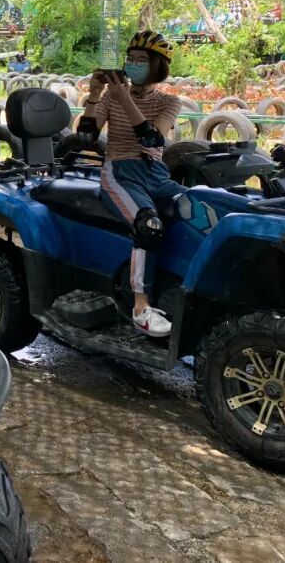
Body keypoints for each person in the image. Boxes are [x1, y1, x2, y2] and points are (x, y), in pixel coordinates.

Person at [79, 30, 183, 338]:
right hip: (120, 172)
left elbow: (152, 138)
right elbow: (86, 136)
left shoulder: (169, 102)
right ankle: (141, 308)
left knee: (197, 207)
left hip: (156, 174)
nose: (134, 65)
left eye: (142, 60)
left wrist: (122, 95)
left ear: (157, 66)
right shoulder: (112, 97)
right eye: (131, 59)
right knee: (148, 224)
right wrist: (96, 94)